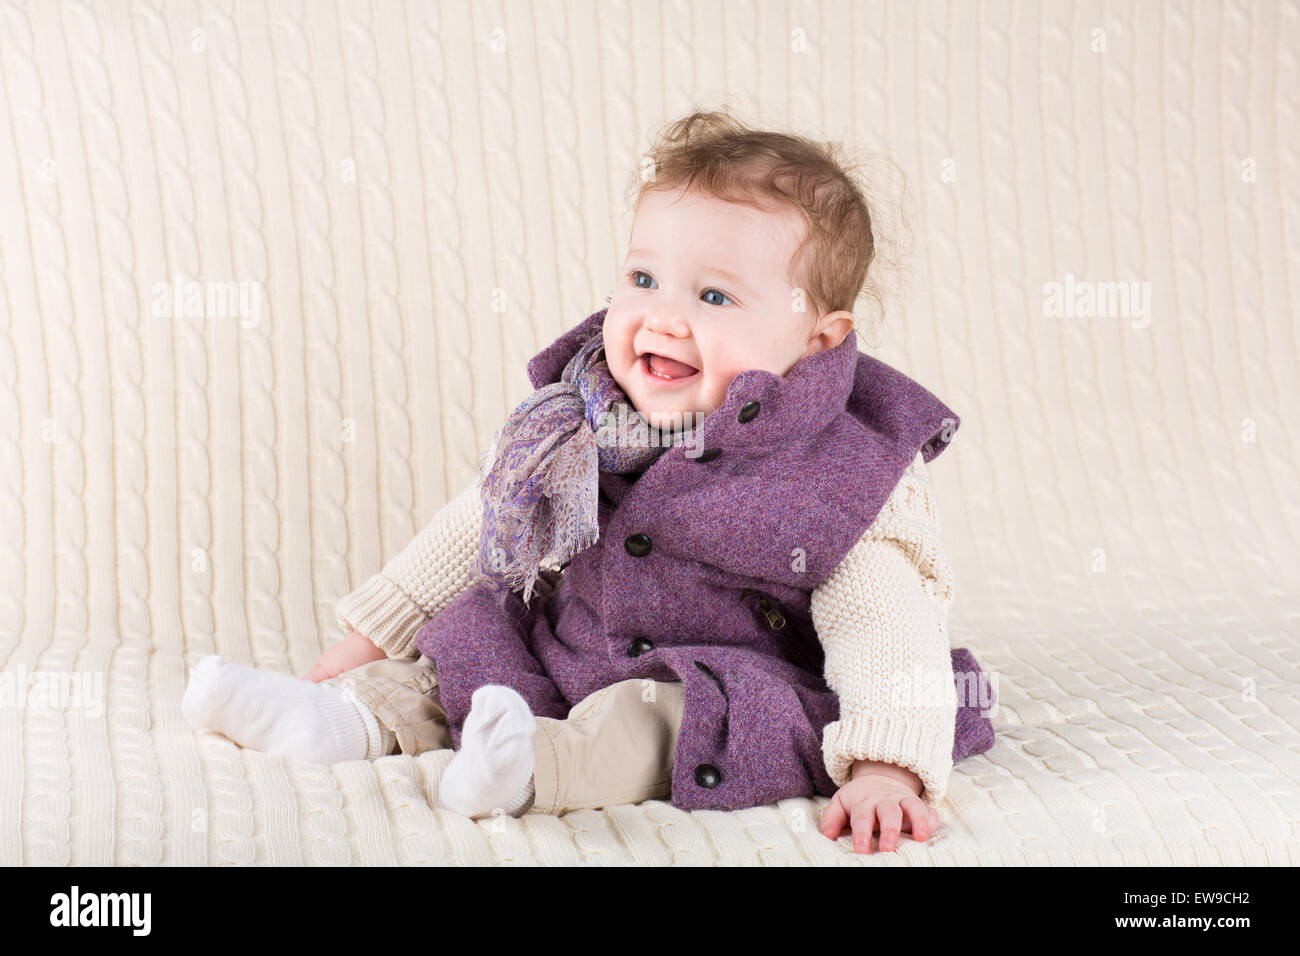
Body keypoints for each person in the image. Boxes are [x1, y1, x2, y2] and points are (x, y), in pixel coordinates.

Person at [183, 108, 995, 854]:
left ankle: (534, 766)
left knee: (644, 726)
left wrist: (887, 763)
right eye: (644, 280)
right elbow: (479, 525)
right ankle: (344, 718)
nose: (664, 316)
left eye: (714, 296)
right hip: (564, 646)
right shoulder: (583, 413)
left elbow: (887, 620)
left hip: (717, 681)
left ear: (819, 338)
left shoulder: (844, 468)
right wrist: (368, 641)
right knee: (464, 648)